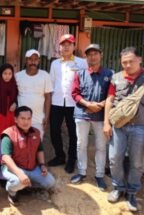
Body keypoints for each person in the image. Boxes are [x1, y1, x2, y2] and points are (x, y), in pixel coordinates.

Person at [103, 47, 144, 212]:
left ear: (139, 59)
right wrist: (106, 123)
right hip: (119, 125)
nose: (127, 65)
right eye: (124, 62)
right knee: (114, 157)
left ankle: (132, 192)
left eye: (131, 61)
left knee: (137, 162)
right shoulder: (116, 78)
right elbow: (110, 100)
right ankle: (118, 187)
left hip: (141, 126)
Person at [70, 44, 113, 191]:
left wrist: (99, 105)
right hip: (82, 114)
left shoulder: (109, 74)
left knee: (101, 146)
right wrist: (87, 104)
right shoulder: (80, 74)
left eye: (95, 54)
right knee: (81, 144)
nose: (92, 57)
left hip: (101, 116)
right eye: (89, 54)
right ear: (86, 57)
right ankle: (81, 172)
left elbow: (112, 95)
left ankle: (99, 175)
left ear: (101, 55)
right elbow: (74, 93)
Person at [48, 34, 88, 174]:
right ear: (59, 47)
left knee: (73, 133)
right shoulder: (55, 64)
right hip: (57, 102)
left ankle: (72, 159)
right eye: (63, 44)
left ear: (73, 46)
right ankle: (60, 156)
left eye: (69, 44)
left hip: (74, 104)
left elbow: (86, 82)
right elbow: (51, 84)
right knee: (54, 130)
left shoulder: (82, 63)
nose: (66, 47)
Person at [1, 106, 56, 206]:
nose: (26, 121)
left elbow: (39, 150)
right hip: (13, 168)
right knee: (18, 181)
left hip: (32, 167)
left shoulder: (36, 132)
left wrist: (42, 165)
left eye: (28, 118)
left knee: (50, 182)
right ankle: (12, 192)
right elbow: (6, 158)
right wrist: (20, 174)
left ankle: (26, 187)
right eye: (22, 118)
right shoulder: (8, 134)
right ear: (15, 119)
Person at [15, 49, 53, 139]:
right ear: (26, 60)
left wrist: (47, 117)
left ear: (39, 61)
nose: (33, 62)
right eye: (30, 59)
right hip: (21, 120)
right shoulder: (18, 76)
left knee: (36, 147)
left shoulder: (45, 76)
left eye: (35, 59)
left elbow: (48, 97)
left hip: (38, 120)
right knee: (21, 147)